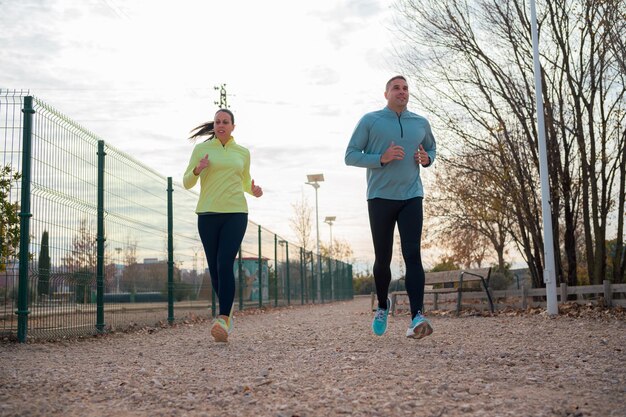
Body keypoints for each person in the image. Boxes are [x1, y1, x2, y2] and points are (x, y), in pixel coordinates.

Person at [345, 75, 436, 339]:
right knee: (382, 259)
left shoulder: (420, 123)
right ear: (386, 94)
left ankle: (417, 316)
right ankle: (383, 306)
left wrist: (427, 158)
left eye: (405, 88)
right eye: (396, 88)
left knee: (412, 255)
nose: (402, 92)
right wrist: (381, 158)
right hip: (380, 197)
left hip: (411, 196)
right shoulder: (370, 121)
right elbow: (350, 155)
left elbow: (432, 148)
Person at [183, 109, 263, 342]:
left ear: (233, 127)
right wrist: (198, 168)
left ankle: (223, 318)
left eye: (225, 122)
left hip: (236, 213)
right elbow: (187, 181)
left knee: (225, 262)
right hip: (207, 214)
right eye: (217, 122)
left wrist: (254, 190)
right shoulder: (201, 149)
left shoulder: (243, 152)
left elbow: (245, 180)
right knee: (215, 269)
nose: (220, 125)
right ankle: (225, 315)